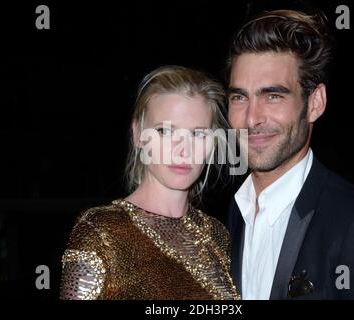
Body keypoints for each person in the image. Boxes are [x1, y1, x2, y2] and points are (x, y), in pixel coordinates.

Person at [226, 9, 354, 299]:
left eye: (273, 96)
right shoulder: (231, 215)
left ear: (315, 103)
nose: (252, 118)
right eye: (240, 97)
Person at [60, 65, 240, 300]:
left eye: (198, 134)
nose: (183, 151)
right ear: (138, 135)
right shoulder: (100, 231)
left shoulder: (218, 235)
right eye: (165, 131)